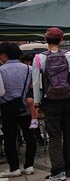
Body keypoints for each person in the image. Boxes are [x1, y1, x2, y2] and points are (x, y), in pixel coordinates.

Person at [32, 27, 70, 180]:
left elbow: (36, 83)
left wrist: (37, 103)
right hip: (69, 98)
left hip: (51, 99)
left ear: (46, 40)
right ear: (61, 40)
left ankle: (58, 172)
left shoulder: (39, 58)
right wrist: (68, 85)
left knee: (54, 136)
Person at [0, 43, 36, 178]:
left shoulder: (0, 70)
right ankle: (29, 165)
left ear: (4, 55)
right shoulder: (29, 69)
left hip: (7, 108)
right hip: (26, 107)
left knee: (9, 139)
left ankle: (14, 167)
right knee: (30, 137)